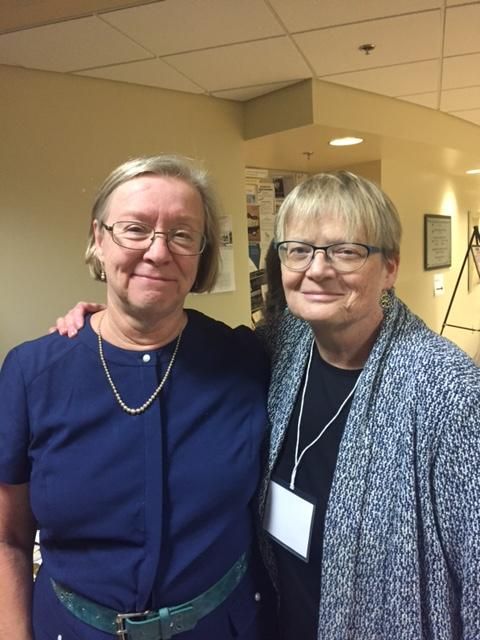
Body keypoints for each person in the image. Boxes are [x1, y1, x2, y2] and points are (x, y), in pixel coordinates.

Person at [51, 171, 480, 639]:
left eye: (346, 250)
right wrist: (109, 324)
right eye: (299, 250)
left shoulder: (447, 390)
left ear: (390, 267)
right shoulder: (284, 343)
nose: (317, 269)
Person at [0, 155, 275, 640]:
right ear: (99, 239)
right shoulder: (32, 374)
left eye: (183, 234)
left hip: (221, 626)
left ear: (201, 254)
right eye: (135, 228)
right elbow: (9, 538)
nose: (158, 250)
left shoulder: (244, 359)